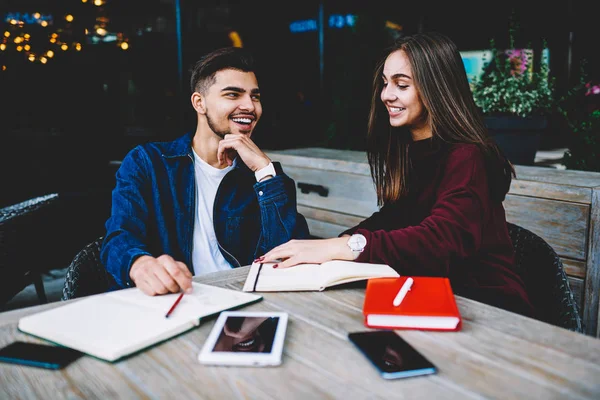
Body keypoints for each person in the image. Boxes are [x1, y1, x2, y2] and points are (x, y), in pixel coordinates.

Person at [259, 32, 535, 318]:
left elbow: (442, 241)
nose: (386, 95)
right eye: (385, 83)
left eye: (401, 85)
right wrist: (327, 250)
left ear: (436, 88)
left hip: (490, 309)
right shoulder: (410, 149)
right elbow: (393, 219)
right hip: (431, 296)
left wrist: (345, 246)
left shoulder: (468, 156)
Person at [101, 46, 309, 296]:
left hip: (241, 303)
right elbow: (119, 237)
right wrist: (140, 264)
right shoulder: (148, 163)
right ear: (199, 103)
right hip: (173, 300)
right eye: (233, 95)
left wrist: (265, 172)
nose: (250, 106)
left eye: (255, 96)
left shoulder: (263, 177)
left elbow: (292, 253)